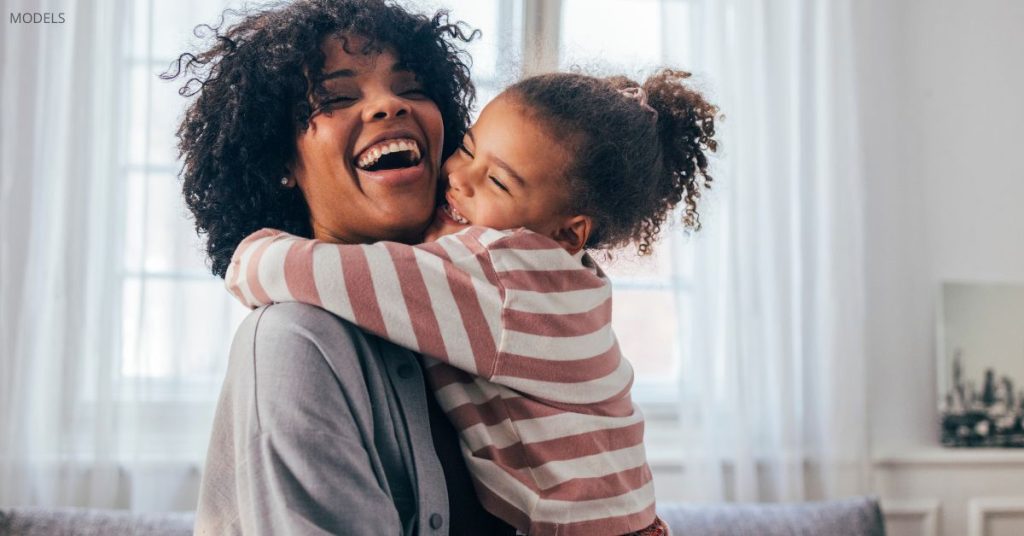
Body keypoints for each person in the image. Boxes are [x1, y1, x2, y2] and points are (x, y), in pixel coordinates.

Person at [227, 69, 719, 535]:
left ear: (568, 232)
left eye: (498, 183)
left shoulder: (501, 275)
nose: (459, 179)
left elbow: (326, 274)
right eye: (466, 149)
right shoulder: (558, 279)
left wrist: (250, 254)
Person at [164, 0, 518, 533]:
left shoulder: (483, 306)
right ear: (280, 160)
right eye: (336, 96)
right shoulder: (294, 341)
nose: (389, 106)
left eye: (413, 88)